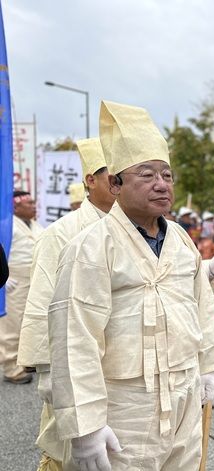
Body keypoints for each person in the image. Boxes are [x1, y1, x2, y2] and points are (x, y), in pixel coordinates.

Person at [48, 100, 214, 470]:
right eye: (147, 175)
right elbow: (75, 336)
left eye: (166, 175)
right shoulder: (91, 245)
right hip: (125, 404)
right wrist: (86, 425)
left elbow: (200, 303)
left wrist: (207, 365)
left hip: (184, 393)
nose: (161, 184)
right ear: (115, 184)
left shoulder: (181, 238)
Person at [17, 138, 115, 470]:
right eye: (112, 176)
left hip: (122, 368)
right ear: (91, 179)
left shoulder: (136, 228)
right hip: (73, 369)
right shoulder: (60, 233)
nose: (120, 184)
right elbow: (41, 301)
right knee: (67, 455)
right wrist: (47, 371)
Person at [0, 190, 43, 384]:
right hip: (14, 278)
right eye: (30, 203)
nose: (34, 206)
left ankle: (26, 359)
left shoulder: (34, 224)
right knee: (13, 324)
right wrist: (4, 278)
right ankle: (11, 367)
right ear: (16, 206)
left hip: (33, 276)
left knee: (31, 320)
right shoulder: (5, 225)